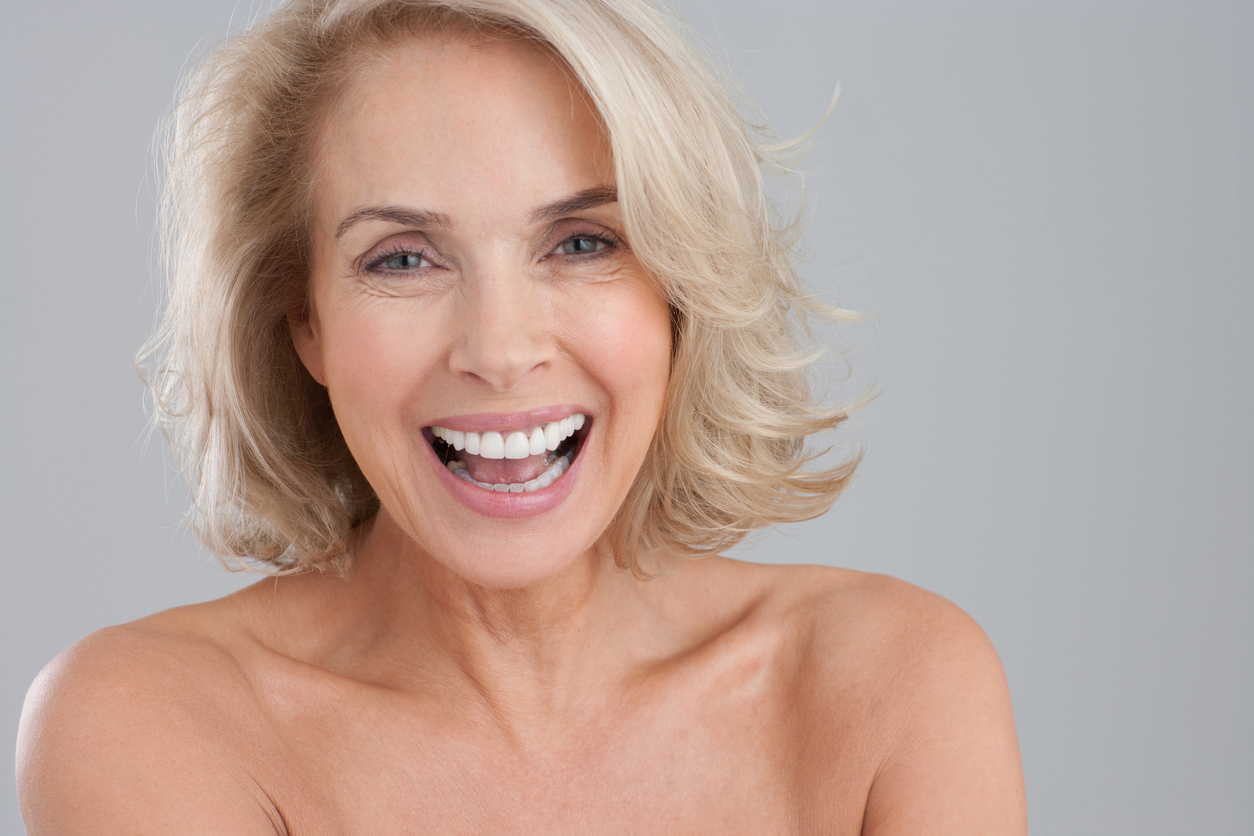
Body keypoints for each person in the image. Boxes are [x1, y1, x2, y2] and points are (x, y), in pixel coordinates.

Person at [16, 0, 1026, 831]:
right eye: (402, 258)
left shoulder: (893, 685)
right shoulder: (150, 721)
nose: (499, 350)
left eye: (582, 242)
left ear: (678, 292)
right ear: (305, 322)